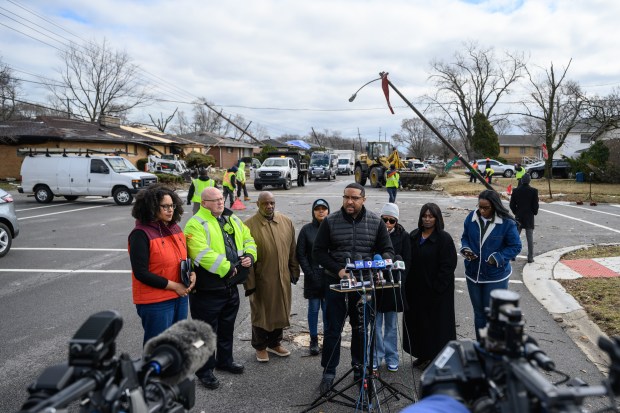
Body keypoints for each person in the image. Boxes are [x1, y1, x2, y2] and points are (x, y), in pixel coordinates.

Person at [313, 183, 394, 394]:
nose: (350, 201)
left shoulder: (376, 222)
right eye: (346, 197)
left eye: (355, 198)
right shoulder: (330, 221)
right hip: (337, 285)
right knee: (333, 330)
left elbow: (387, 250)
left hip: (364, 287)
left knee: (361, 331)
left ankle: (360, 373)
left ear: (363, 199)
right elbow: (319, 252)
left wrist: (382, 264)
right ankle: (328, 374)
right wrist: (339, 270)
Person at [184, 186, 257, 389]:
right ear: (204, 203)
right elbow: (200, 252)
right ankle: (204, 371)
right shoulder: (195, 224)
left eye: (221, 198)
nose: (220, 202)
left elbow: (248, 238)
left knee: (226, 328)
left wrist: (250, 256)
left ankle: (225, 361)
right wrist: (228, 268)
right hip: (208, 289)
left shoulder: (231, 218)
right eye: (215, 199)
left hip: (230, 287)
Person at [128, 184, 196, 345]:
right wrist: (174, 286)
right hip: (156, 301)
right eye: (164, 206)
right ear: (151, 207)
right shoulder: (140, 234)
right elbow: (141, 273)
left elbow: (183, 257)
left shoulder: (175, 228)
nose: (170, 210)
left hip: (179, 295)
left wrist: (192, 273)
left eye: (172, 205)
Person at [244, 191, 300, 362]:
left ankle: (275, 343)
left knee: (280, 311)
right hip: (262, 279)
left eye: (272, 203)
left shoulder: (285, 222)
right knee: (261, 313)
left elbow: (292, 249)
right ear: (258, 205)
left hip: (282, 277)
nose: (269, 206)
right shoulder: (248, 226)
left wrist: (293, 270)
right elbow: (246, 258)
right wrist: (250, 283)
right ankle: (260, 346)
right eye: (265, 203)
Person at [460, 190, 521, 339]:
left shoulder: (506, 223)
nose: (481, 211)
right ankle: (482, 346)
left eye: (486, 208)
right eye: (479, 207)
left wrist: (499, 257)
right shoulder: (471, 218)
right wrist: (465, 248)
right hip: (473, 274)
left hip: (495, 277)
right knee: (479, 313)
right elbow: (465, 237)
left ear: (494, 206)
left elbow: (515, 247)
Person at [403, 203, 457, 368]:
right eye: (424, 216)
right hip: (416, 291)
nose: (427, 219)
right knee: (418, 324)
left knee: (436, 326)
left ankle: (435, 358)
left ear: (437, 218)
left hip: (436, 292)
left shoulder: (444, 239)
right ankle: (423, 354)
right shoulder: (414, 236)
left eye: (431, 216)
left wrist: (437, 288)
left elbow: (448, 266)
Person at [374, 203, 410, 372]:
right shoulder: (374, 233)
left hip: (393, 287)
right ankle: (375, 356)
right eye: (384, 219)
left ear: (396, 221)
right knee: (375, 324)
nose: (388, 223)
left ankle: (391, 356)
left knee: (391, 325)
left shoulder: (404, 236)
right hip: (377, 285)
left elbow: (407, 262)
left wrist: (399, 278)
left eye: (392, 220)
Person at [296, 199, 330, 356]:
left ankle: (329, 339)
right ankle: (314, 339)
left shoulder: (332, 228)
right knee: (314, 309)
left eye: (324, 209)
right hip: (312, 276)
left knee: (328, 310)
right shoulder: (306, 230)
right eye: (318, 209)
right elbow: (301, 254)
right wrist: (309, 272)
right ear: (313, 211)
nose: (321, 211)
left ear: (328, 211)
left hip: (330, 276)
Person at [509, 173, 539, 263]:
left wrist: (516, 212)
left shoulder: (516, 190)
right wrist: (534, 212)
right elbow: (535, 205)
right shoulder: (534, 191)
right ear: (529, 180)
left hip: (519, 216)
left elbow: (512, 204)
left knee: (516, 237)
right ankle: (530, 257)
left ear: (521, 180)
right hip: (529, 216)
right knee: (529, 238)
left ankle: (513, 255)